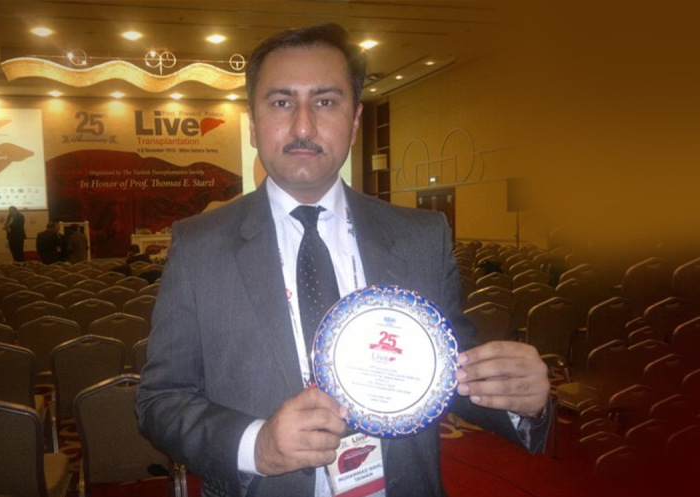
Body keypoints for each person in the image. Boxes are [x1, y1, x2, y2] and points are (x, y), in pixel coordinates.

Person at [136, 23, 551, 497]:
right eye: (282, 102)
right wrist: (256, 446)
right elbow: (160, 400)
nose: (304, 126)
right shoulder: (199, 246)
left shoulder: (421, 236)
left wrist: (519, 399)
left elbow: (450, 371)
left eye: (326, 102)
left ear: (354, 121)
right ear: (253, 123)